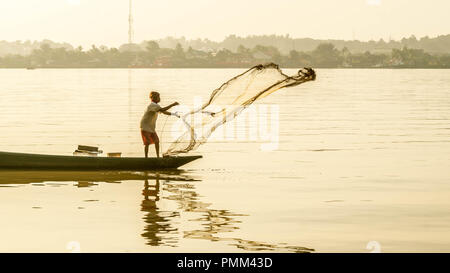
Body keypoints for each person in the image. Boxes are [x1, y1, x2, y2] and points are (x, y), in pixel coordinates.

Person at [140, 91, 179, 158]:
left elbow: (163, 111)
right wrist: (172, 104)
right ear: (154, 98)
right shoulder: (152, 105)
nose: (159, 98)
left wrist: (174, 114)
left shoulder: (156, 106)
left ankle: (158, 157)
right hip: (145, 126)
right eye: (158, 97)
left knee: (157, 141)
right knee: (147, 143)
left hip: (151, 127)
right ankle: (146, 158)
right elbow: (163, 109)